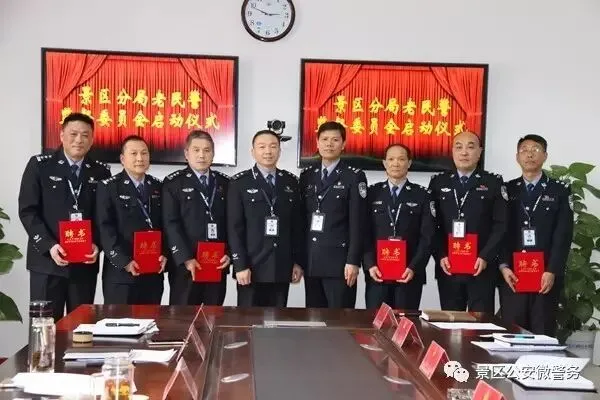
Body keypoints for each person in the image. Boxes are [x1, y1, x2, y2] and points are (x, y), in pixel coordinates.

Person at [18, 112, 110, 321]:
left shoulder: (100, 171)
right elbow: (28, 210)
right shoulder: (40, 165)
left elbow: (104, 216)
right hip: (47, 263)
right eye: (73, 134)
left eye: (85, 135)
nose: (79, 140)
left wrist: (97, 244)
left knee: (81, 327)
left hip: (84, 265)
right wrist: (49, 245)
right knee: (44, 326)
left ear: (92, 139)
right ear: (61, 136)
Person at [499, 134, 573, 335]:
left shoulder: (559, 190)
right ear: (517, 157)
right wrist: (503, 266)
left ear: (545, 156)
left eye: (535, 150)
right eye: (524, 150)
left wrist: (552, 270)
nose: (529, 154)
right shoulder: (507, 189)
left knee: (543, 331)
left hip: (545, 275)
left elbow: (563, 234)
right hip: (513, 274)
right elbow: (500, 231)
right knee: (512, 331)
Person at [428, 131, 507, 312]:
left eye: (470, 147)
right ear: (452, 152)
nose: (464, 152)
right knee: (450, 321)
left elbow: (501, 225)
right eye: (459, 147)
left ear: (479, 153)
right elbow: (431, 225)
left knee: (481, 322)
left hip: (481, 266)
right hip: (449, 266)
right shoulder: (438, 182)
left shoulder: (493, 182)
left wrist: (485, 256)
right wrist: (440, 255)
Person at [227, 130, 304, 307]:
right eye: (262, 147)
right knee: (248, 319)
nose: (268, 151)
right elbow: (234, 227)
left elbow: (297, 227)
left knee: (277, 320)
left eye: (273, 146)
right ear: (252, 151)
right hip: (251, 267)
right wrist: (240, 264)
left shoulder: (290, 182)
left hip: (281, 265)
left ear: (279, 151)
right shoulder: (239, 183)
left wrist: (297, 262)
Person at [299, 121, 367, 308]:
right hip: (312, 261)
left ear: (343, 144)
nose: (329, 144)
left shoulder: (354, 176)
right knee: (313, 318)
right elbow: (301, 221)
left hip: (340, 264)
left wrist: (353, 261)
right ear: (317, 143)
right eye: (325, 139)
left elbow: (358, 223)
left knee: (340, 319)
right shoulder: (307, 176)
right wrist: (299, 259)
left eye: (335, 140)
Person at [96, 135, 167, 304]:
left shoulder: (159, 187)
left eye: (144, 153)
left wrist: (165, 254)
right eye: (134, 153)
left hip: (152, 273)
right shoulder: (109, 187)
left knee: (151, 319)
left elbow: (167, 225)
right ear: (122, 159)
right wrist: (125, 261)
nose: (140, 158)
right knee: (120, 321)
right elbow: (105, 228)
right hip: (121, 274)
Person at [162, 130, 230, 305]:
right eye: (196, 150)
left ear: (213, 154)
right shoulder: (173, 183)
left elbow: (233, 223)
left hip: (217, 263)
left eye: (207, 150)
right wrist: (185, 258)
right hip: (186, 265)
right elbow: (171, 224)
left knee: (214, 315)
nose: (202, 155)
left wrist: (229, 253)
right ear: (186, 153)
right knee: (183, 316)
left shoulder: (226, 183)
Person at [363, 144, 435, 310]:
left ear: (409, 163)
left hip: (408, 274)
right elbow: (363, 232)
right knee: (377, 321)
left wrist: (414, 267)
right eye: (391, 159)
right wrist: (370, 264)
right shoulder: (372, 193)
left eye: (401, 159)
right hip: (377, 273)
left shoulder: (422, 195)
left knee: (405, 322)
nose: (396, 163)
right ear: (384, 163)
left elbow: (427, 236)